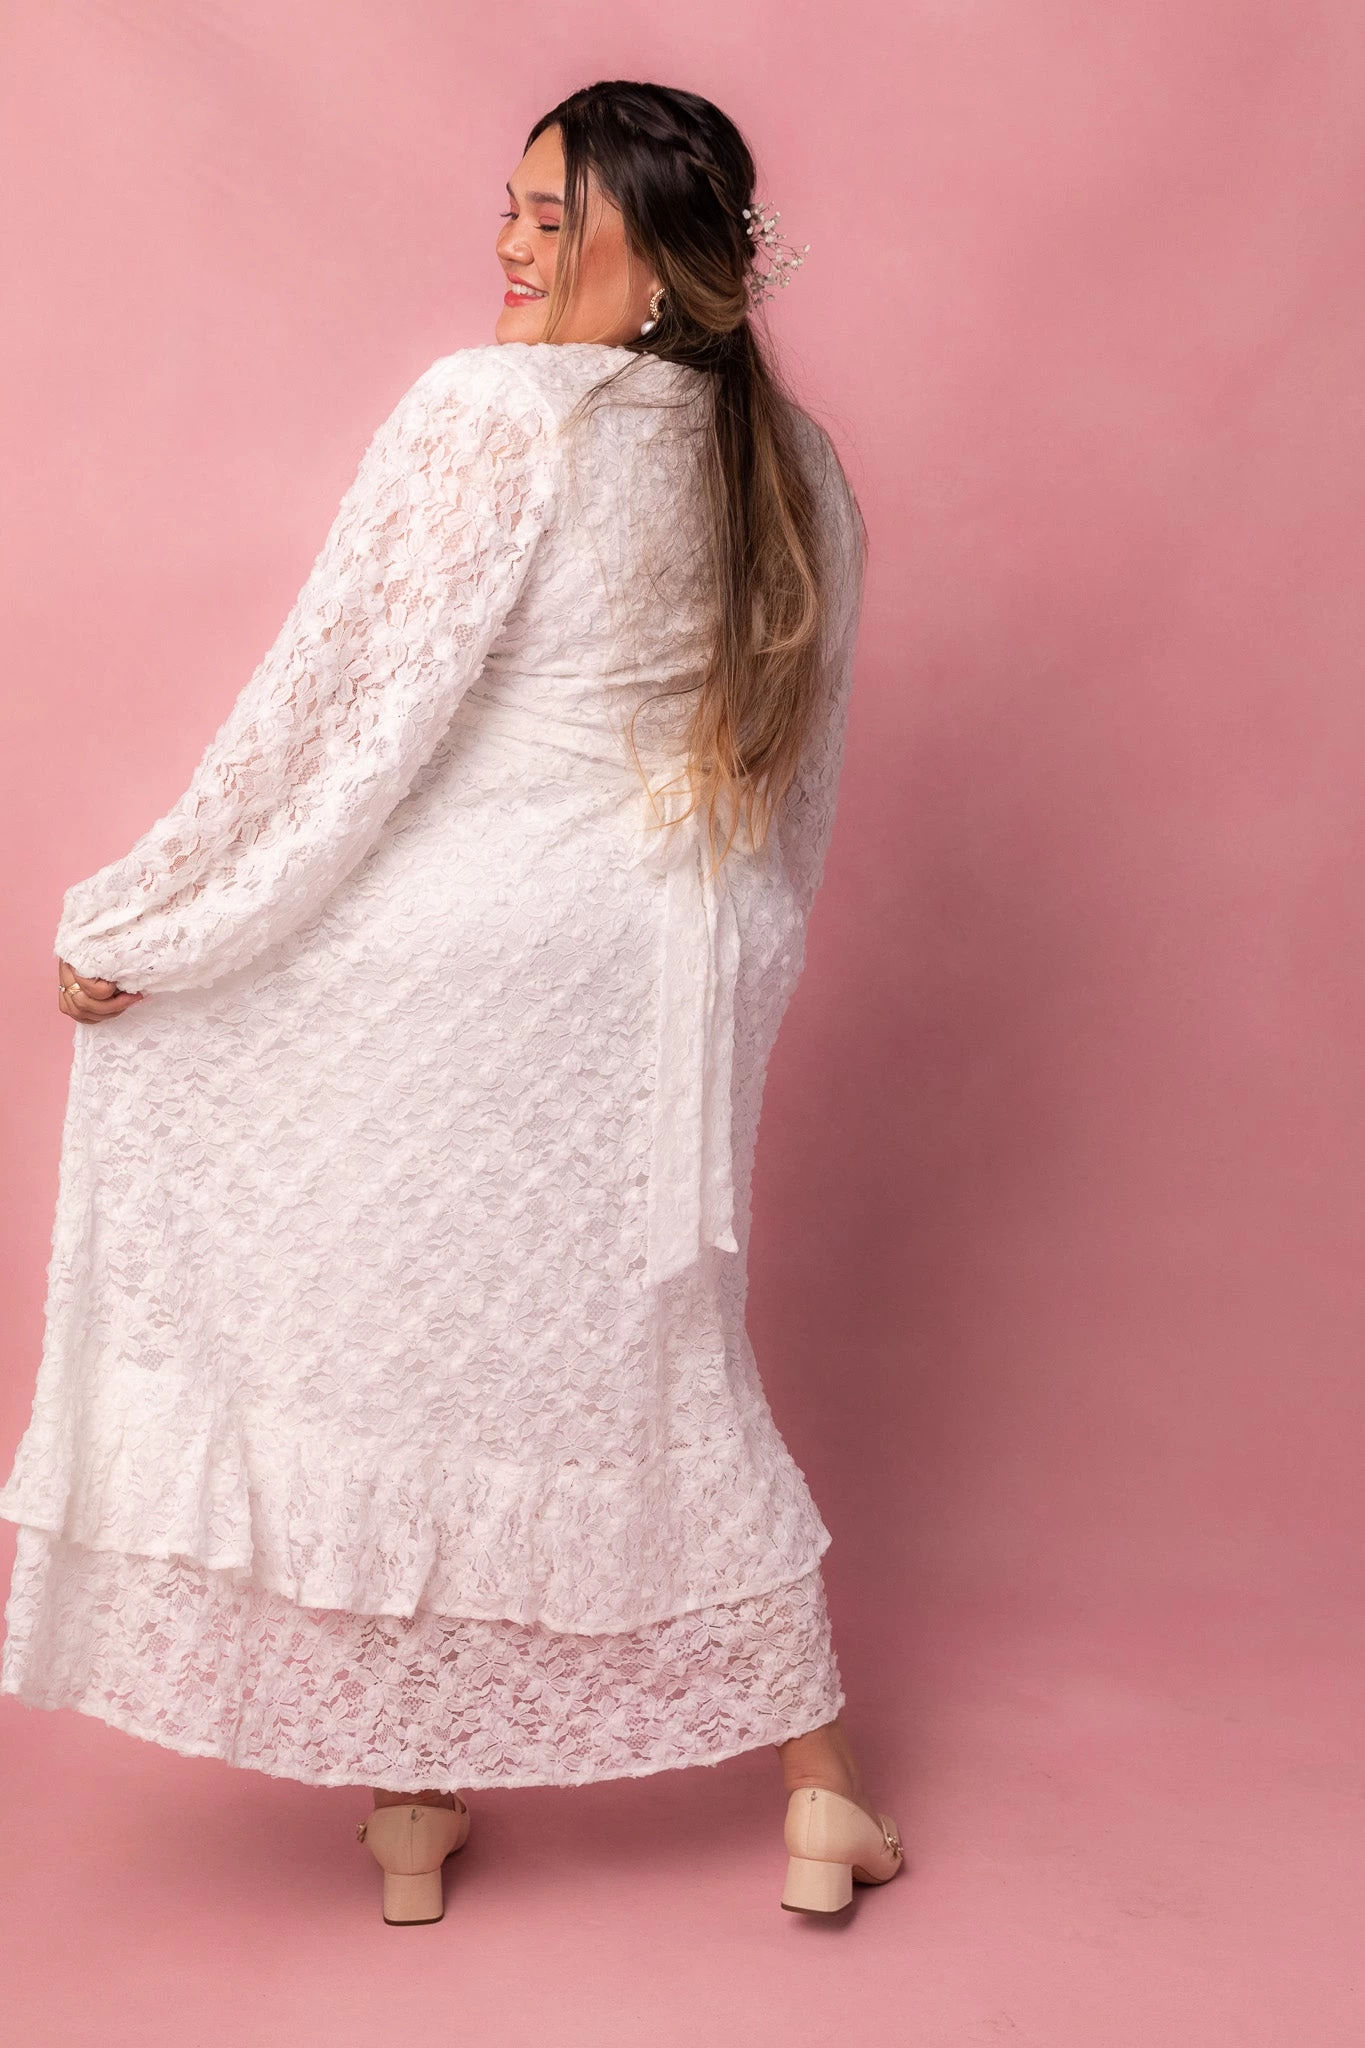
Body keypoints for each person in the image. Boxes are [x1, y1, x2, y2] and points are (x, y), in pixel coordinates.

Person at [0, 78, 902, 1924]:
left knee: (392, 1349)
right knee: (647, 1372)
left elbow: (343, 719)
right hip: (656, 989)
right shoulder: (805, 470)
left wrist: (158, 922)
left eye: (554, 217)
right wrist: (731, 1012)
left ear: (665, 261)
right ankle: (806, 1797)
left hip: (454, 963)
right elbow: (784, 807)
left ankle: (416, 1802)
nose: (508, 242)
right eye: (510, 204)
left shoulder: (494, 411)